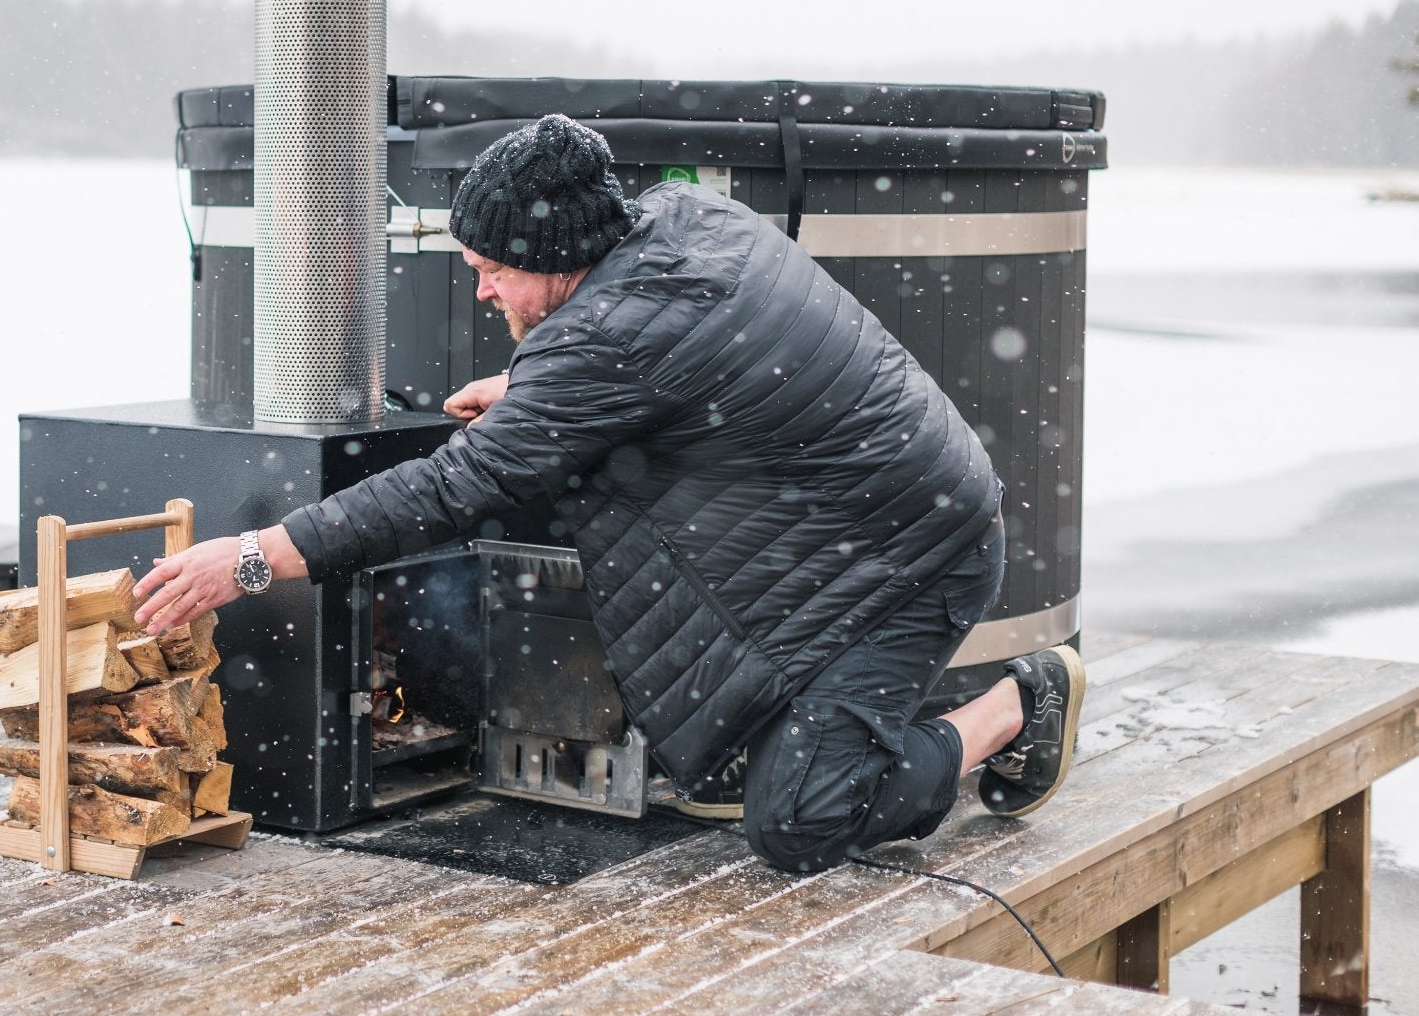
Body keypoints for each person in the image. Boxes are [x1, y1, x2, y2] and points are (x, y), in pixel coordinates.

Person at [135, 113, 1084, 872]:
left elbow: (456, 486)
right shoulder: (684, 222)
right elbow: (695, 364)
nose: (481, 293)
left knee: (799, 820)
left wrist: (252, 556)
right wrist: (536, 392)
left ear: (553, 261)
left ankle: (1015, 705)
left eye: (491, 271)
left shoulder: (613, 342)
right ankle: (801, 731)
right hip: (863, 528)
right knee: (725, 752)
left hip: (920, 560)